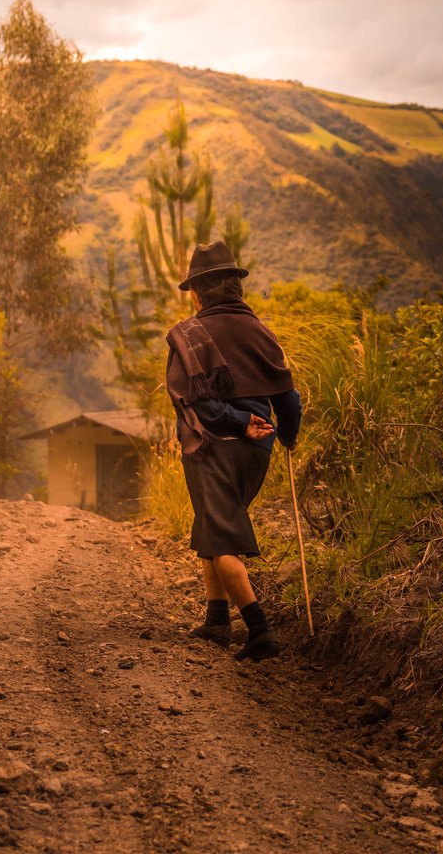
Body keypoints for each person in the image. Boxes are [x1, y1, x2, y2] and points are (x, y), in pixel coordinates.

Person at [165, 241, 302, 663]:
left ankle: (260, 631)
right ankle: (217, 620)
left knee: (223, 538)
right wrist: (287, 437)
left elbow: (196, 404)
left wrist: (238, 422)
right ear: (235, 286)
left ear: (198, 292)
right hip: (257, 452)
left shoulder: (189, 334)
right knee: (214, 523)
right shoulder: (260, 331)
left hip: (212, 447)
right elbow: (289, 398)